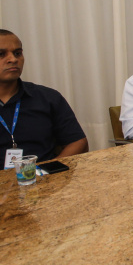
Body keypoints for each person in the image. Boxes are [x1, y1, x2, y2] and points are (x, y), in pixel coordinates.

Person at [0, 30, 88, 166]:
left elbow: (78, 142)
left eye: (18, 53)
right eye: (1, 54)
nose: (13, 59)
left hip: (44, 179)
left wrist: (48, 171)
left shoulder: (47, 98)